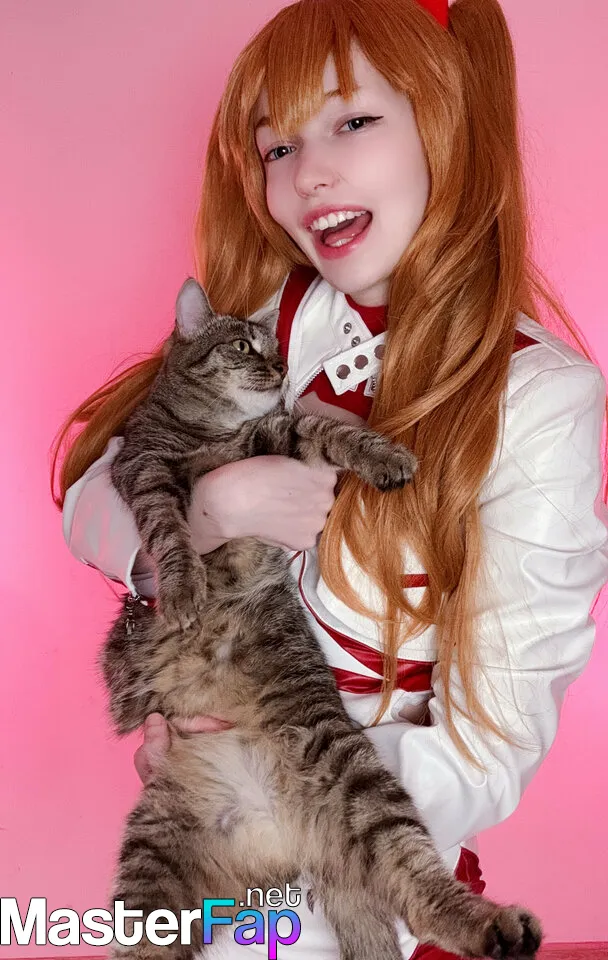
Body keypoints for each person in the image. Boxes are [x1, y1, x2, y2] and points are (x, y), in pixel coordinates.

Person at [52, 0, 608, 956]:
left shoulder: (539, 398)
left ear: (447, 125)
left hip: (364, 873)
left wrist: (266, 794)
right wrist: (209, 512)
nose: (308, 173)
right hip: (205, 844)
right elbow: (87, 499)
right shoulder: (272, 317)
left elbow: (492, 742)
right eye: (277, 146)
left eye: (353, 120)